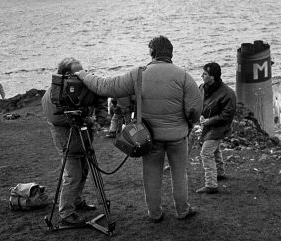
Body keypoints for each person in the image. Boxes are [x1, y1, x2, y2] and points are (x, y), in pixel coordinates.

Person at [76, 35, 202, 223]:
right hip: (178, 136)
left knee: (151, 175)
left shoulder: (139, 74)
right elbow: (194, 109)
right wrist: (188, 124)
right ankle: (183, 210)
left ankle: (155, 214)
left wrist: (83, 74)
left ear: (152, 53)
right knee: (179, 174)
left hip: (149, 137)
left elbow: (105, 87)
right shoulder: (184, 76)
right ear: (171, 53)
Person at [41, 58, 108, 227]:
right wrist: (86, 119)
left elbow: (100, 100)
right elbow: (55, 118)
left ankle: (76, 201)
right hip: (66, 137)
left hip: (84, 136)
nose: (80, 75)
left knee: (84, 170)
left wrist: (99, 119)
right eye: (75, 72)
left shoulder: (86, 84)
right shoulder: (53, 93)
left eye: (81, 71)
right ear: (65, 74)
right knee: (72, 175)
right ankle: (66, 213)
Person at [196, 62, 236, 194]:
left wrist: (208, 121)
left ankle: (211, 185)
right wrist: (200, 116)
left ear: (212, 77)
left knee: (206, 152)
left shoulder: (228, 93)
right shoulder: (202, 87)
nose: (202, 75)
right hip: (209, 126)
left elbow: (226, 115)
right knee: (215, 149)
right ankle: (219, 172)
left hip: (220, 127)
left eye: (205, 74)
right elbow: (198, 103)